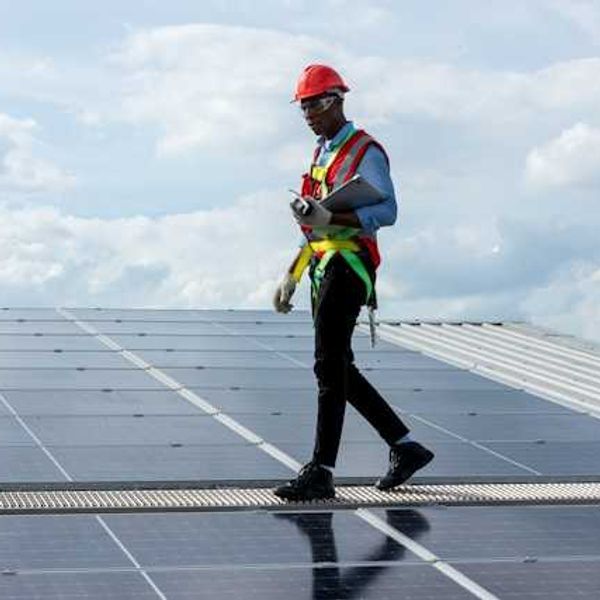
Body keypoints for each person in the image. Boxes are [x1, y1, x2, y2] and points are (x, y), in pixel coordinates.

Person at [273, 64, 434, 501]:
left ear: (337, 101)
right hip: (324, 265)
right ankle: (406, 447)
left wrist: (335, 216)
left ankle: (322, 470)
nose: (309, 115)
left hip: (351, 266)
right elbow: (318, 223)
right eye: (304, 108)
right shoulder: (322, 153)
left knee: (328, 364)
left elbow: (388, 211)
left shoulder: (365, 150)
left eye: (316, 105)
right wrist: (293, 271)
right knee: (339, 366)